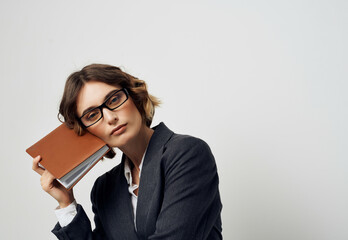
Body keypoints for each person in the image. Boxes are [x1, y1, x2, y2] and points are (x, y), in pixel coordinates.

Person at [32, 64, 223, 239]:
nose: (110, 117)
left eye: (114, 99)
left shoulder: (187, 154)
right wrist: (67, 203)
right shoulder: (104, 188)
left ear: (134, 95)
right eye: (92, 115)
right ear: (85, 132)